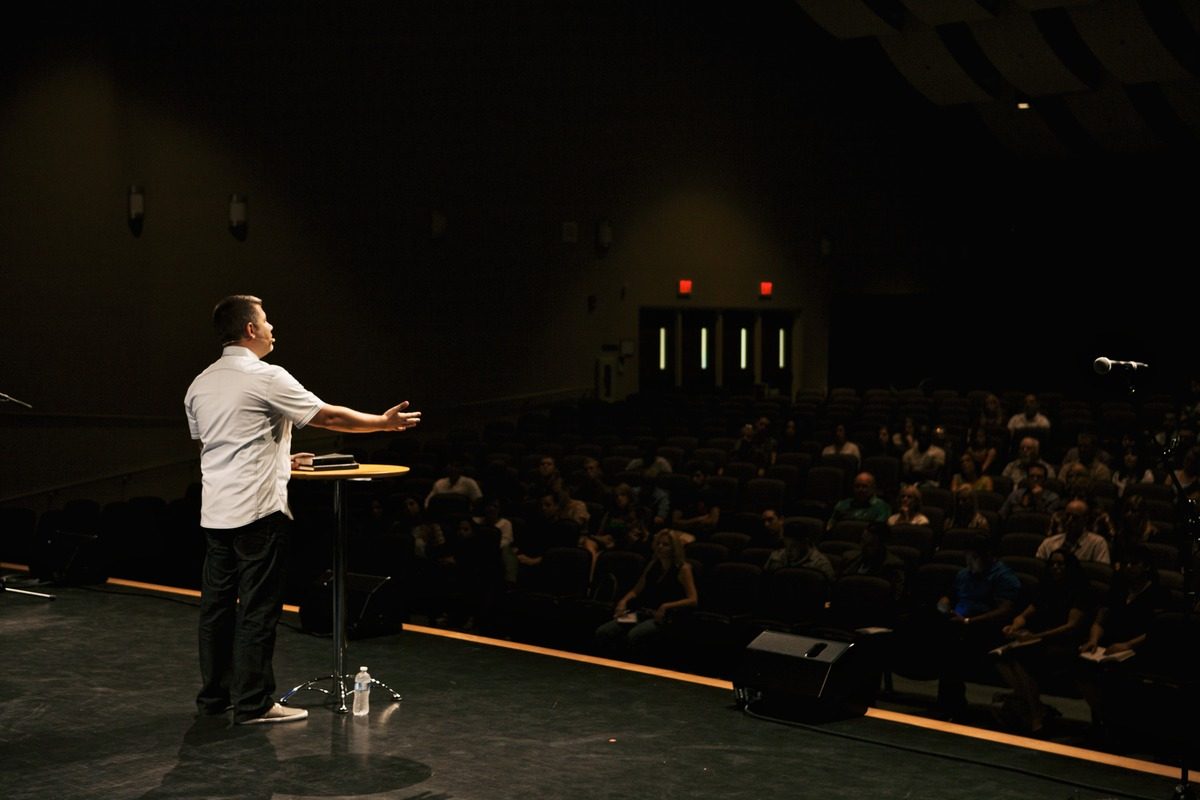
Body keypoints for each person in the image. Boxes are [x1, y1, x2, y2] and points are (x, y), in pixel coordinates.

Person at [185, 295, 420, 725]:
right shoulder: (265, 376)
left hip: (215, 512)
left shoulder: (200, 383)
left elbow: (215, 444)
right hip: (257, 512)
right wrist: (383, 424)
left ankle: (215, 699)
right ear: (250, 330)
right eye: (266, 320)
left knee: (216, 610)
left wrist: (276, 458)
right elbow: (328, 418)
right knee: (257, 609)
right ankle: (254, 703)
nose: (273, 327)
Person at [993, 550, 1092, 734]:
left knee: (1022, 659)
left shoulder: (1080, 590)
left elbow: (1071, 626)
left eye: (1061, 564)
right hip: (1040, 638)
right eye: (1053, 563)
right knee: (1001, 657)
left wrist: (1037, 637)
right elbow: (1028, 612)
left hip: (1064, 642)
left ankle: (1035, 712)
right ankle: (1033, 705)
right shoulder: (1045, 586)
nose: (1056, 567)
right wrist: (1015, 625)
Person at [933, 536, 1021, 719]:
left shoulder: (1003, 577)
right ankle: (948, 703)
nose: (969, 563)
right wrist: (945, 605)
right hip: (959, 624)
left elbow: (1005, 611)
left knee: (952, 647)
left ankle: (951, 706)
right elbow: (950, 597)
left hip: (986, 629)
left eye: (974, 558)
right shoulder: (964, 575)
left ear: (987, 556)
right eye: (967, 558)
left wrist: (969, 622)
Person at [594, 530, 698, 658]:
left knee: (635, 635)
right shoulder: (653, 565)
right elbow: (636, 590)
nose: (660, 547)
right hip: (642, 614)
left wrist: (666, 606)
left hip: (664, 617)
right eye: (658, 543)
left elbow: (693, 599)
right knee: (605, 631)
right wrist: (623, 601)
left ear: (674, 548)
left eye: (665, 545)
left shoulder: (683, 569)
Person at [1036, 499, 1111, 564]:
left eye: (1075, 518)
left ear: (1085, 520)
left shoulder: (1097, 544)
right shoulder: (1049, 543)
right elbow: (1039, 568)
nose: (1069, 521)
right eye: (1067, 516)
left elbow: (1101, 573)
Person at [764, 522, 835, 580]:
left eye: (794, 546)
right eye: (786, 546)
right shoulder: (776, 558)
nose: (788, 551)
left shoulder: (820, 564)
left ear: (805, 543)